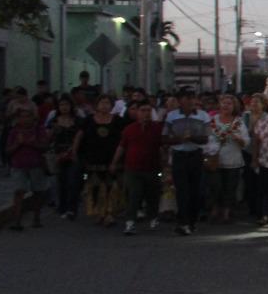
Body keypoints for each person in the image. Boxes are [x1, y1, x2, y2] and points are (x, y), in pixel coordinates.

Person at [163, 89, 211, 235]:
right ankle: (183, 221)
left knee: (195, 190)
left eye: (192, 98)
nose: (190, 101)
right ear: (180, 100)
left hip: (195, 155)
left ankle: (192, 220)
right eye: (187, 98)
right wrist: (179, 139)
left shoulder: (203, 115)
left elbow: (205, 138)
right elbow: (165, 138)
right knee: (182, 190)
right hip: (179, 155)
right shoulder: (172, 116)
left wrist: (191, 138)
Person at [113, 102, 164, 233]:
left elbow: (163, 146)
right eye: (142, 110)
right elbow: (122, 146)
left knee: (152, 195)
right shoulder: (129, 129)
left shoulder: (157, 128)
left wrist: (165, 162)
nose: (146, 113)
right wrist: (114, 162)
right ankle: (130, 222)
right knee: (134, 195)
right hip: (133, 168)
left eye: (148, 110)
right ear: (137, 113)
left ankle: (153, 218)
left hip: (152, 167)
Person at [74, 95, 124, 227]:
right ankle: (98, 212)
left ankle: (110, 213)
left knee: (111, 186)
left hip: (112, 157)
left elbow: (124, 138)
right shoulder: (88, 120)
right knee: (95, 187)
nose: (104, 105)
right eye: (102, 102)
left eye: (107, 103)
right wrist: (74, 151)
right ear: (97, 105)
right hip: (93, 158)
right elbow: (79, 136)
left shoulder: (118, 120)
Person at [5, 103, 50, 230]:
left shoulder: (39, 130)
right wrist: (18, 144)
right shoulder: (14, 131)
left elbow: (45, 146)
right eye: (22, 117)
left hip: (36, 164)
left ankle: (36, 218)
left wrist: (31, 143)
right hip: (19, 165)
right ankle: (17, 221)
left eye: (27, 116)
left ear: (33, 118)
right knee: (19, 191)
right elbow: (7, 150)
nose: (25, 119)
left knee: (38, 192)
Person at [208, 94, 250, 225]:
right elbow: (207, 137)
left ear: (234, 106)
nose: (226, 106)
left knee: (230, 187)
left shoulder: (238, 122)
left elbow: (246, 141)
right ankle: (215, 208)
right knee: (215, 186)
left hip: (233, 160)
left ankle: (226, 212)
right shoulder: (213, 120)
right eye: (224, 103)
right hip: (215, 159)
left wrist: (239, 139)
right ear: (220, 105)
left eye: (229, 104)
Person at [48, 95, 82, 219]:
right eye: (61, 105)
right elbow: (48, 138)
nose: (64, 107)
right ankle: (62, 207)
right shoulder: (54, 121)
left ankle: (72, 208)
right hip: (59, 154)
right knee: (61, 182)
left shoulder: (78, 120)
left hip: (74, 154)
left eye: (66, 104)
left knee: (73, 181)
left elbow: (80, 136)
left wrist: (73, 150)